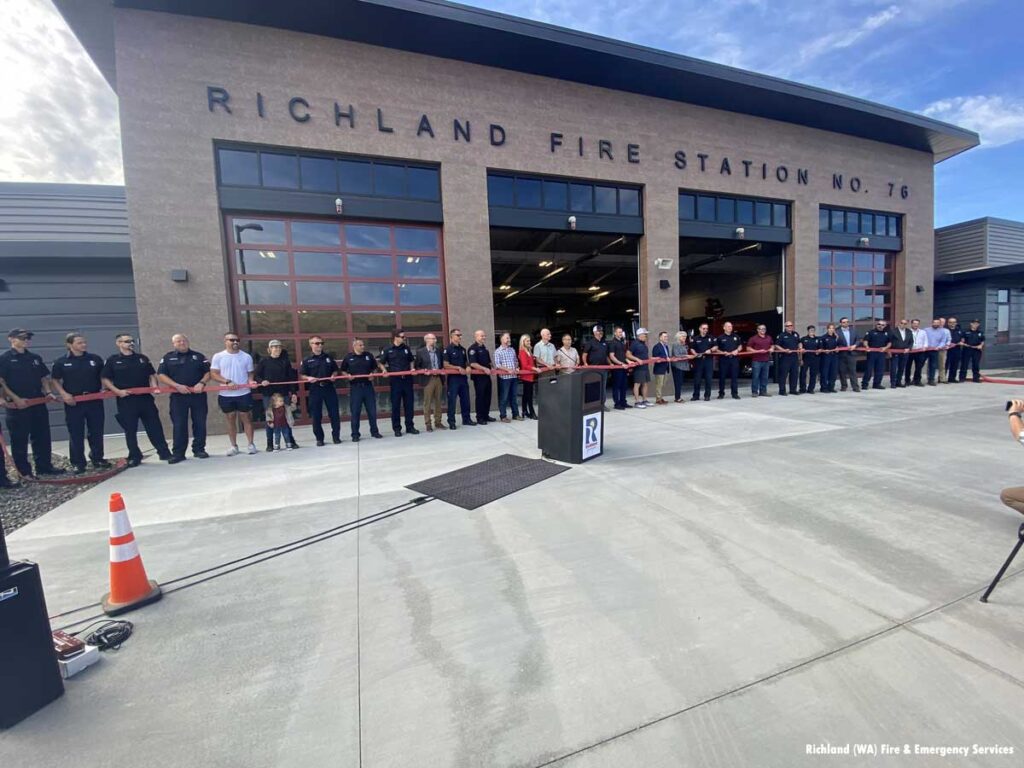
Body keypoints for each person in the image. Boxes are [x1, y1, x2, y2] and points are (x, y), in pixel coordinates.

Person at [101, 332, 172, 467]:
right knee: (130, 429)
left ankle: (164, 452)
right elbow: (105, 378)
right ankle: (134, 455)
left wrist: (154, 386)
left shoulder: (142, 358)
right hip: (126, 400)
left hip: (145, 399)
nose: (130, 343)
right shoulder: (113, 360)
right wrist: (117, 391)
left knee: (154, 426)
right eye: (127, 341)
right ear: (119, 344)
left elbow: (151, 375)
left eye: (131, 341)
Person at [0, 328, 63, 476]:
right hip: (18, 406)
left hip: (37, 403)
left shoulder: (34, 357)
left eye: (28, 338)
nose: (26, 341)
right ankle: (24, 472)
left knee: (42, 436)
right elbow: (2, 383)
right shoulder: (4, 359)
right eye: (22, 338)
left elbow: (43, 377)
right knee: (20, 440)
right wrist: (14, 399)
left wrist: (48, 393)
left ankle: (44, 466)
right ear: (11, 339)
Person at [50, 332, 112, 474]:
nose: (83, 345)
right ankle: (78, 462)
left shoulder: (94, 359)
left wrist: (106, 388)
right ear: (69, 345)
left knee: (96, 431)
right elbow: (55, 380)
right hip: (74, 402)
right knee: (76, 433)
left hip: (94, 400)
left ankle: (97, 458)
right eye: (79, 343)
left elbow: (103, 376)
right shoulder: (61, 362)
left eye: (84, 342)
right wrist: (64, 394)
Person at [156, 333, 210, 463]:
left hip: (198, 395)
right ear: (174, 344)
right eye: (178, 341)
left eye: (184, 340)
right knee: (179, 425)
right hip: (178, 396)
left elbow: (208, 372)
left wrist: (201, 383)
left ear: (188, 341)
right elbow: (161, 375)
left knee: (200, 423)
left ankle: (199, 449)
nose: (182, 343)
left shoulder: (199, 356)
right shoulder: (168, 358)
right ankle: (178, 453)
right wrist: (176, 385)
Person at [210, 332, 258, 455]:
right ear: (225, 341)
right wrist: (227, 381)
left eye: (237, 340)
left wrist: (251, 381)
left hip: (243, 393)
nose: (235, 342)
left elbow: (250, 373)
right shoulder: (218, 356)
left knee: (246, 417)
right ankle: (234, 446)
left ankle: (251, 444)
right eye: (231, 340)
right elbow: (214, 374)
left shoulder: (246, 356)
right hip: (226, 395)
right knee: (230, 419)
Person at [256, 339, 299, 450]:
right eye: (274, 347)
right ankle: (270, 444)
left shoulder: (285, 361)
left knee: (287, 417)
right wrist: (262, 381)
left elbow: (291, 378)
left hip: (283, 394)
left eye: (279, 347)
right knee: (270, 418)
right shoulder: (264, 361)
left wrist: (293, 392)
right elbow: (257, 376)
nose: (277, 349)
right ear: (269, 349)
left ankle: (291, 441)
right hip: (269, 395)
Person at [300, 335, 341, 446]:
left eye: (321, 343)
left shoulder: (328, 357)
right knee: (316, 415)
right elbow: (302, 375)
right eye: (317, 343)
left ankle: (336, 437)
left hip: (329, 388)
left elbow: (335, 371)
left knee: (334, 414)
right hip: (315, 389)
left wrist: (333, 375)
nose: (320, 345)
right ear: (311, 345)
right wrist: (308, 378)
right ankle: (319, 438)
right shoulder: (307, 360)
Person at [340, 338, 383, 441]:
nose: (363, 347)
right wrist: (347, 375)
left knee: (372, 411)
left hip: (368, 387)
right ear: (354, 346)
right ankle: (355, 435)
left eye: (363, 345)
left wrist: (372, 374)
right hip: (356, 388)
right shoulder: (348, 357)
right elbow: (343, 371)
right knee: (355, 412)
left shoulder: (368, 356)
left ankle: (375, 432)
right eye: (360, 345)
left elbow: (375, 368)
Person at [380, 329, 418, 437]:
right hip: (395, 381)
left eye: (404, 337)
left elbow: (411, 360)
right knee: (396, 405)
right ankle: (397, 429)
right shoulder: (388, 349)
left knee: (409, 405)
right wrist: (384, 370)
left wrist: (412, 369)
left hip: (407, 380)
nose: (404, 338)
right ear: (395, 337)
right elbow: (381, 362)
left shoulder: (406, 349)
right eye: (402, 337)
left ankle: (410, 426)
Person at [414, 333, 447, 431]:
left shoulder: (438, 351)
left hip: (438, 378)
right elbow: (417, 366)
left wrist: (441, 370)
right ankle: (428, 423)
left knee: (438, 401)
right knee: (427, 402)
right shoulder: (420, 352)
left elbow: (441, 363)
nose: (435, 340)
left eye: (435, 339)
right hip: (428, 379)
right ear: (426, 340)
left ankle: (438, 422)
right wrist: (424, 370)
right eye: (432, 339)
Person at [443, 329, 475, 428]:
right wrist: (457, 368)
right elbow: (445, 365)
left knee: (465, 400)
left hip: (463, 379)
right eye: (458, 335)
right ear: (452, 336)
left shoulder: (462, 349)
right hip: (453, 380)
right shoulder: (447, 349)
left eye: (461, 335)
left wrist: (468, 366)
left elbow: (466, 362)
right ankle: (451, 422)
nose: (460, 336)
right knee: (452, 401)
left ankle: (466, 419)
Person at [468, 329, 495, 424]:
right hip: (479, 378)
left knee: (487, 396)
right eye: (481, 336)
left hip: (487, 376)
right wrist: (484, 369)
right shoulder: (472, 349)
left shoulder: (484, 348)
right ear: (476, 337)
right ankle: (480, 418)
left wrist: (491, 366)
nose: (484, 337)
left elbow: (488, 361)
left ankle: (486, 415)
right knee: (480, 397)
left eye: (484, 336)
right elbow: (473, 364)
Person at [494, 333, 521, 422]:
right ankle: (503, 416)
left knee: (514, 397)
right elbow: (498, 365)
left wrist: (517, 367)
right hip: (504, 378)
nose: (509, 340)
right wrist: (508, 370)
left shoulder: (512, 350)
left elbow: (516, 361)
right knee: (504, 397)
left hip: (514, 377)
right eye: (507, 338)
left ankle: (516, 415)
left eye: (509, 338)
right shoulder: (498, 351)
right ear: (502, 340)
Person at [582, 325, 610, 408]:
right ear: (594, 333)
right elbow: (584, 355)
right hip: (593, 369)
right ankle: (593, 405)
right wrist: (585, 364)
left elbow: (606, 356)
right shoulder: (590, 343)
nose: (600, 332)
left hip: (604, 369)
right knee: (593, 386)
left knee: (603, 387)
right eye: (598, 331)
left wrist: (611, 364)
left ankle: (602, 405)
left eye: (601, 331)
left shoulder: (604, 342)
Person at [860, 319, 891, 390]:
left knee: (880, 370)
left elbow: (889, 343)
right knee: (869, 369)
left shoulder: (886, 333)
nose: (880, 326)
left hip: (881, 354)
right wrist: (867, 347)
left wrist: (885, 347)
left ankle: (877, 384)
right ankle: (864, 384)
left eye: (882, 325)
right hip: (872, 353)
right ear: (876, 325)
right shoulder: (870, 332)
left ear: (885, 326)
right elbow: (865, 341)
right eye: (879, 324)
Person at [714, 321, 742, 400]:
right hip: (724, 360)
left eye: (731, 326)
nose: (730, 328)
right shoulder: (720, 338)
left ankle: (735, 393)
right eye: (728, 326)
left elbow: (740, 346)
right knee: (722, 377)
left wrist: (737, 350)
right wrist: (722, 352)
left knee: (734, 377)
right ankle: (721, 394)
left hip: (734, 359)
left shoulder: (736, 336)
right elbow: (716, 349)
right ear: (724, 328)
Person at [774, 320, 801, 396]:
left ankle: (793, 390)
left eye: (791, 325)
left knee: (794, 374)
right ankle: (782, 391)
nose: (790, 327)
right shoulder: (781, 335)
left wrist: (800, 347)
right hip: (785, 358)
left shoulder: (795, 334)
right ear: (785, 327)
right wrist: (784, 350)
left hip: (794, 357)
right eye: (788, 326)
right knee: (783, 375)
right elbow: (776, 345)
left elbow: (799, 342)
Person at [607, 326, 631, 410]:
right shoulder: (612, 343)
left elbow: (623, 355)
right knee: (616, 386)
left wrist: (628, 361)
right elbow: (612, 356)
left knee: (624, 386)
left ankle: (623, 402)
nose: (621, 333)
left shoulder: (622, 342)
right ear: (615, 333)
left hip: (624, 367)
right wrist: (621, 364)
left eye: (621, 332)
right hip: (617, 368)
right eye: (619, 332)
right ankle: (617, 404)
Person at [690, 322, 715, 401]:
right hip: (698, 361)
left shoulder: (711, 337)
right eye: (704, 328)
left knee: (708, 379)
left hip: (708, 360)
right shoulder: (695, 338)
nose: (705, 330)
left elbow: (716, 346)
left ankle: (707, 396)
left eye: (707, 329)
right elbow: (691, 348)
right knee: (697, 379)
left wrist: (710, 350)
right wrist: (695, 354)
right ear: (700, 329)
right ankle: (696, 395)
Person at [626, 328, 651, 408]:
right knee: (637, 384)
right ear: (640, 335)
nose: (646, 336)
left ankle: (645, 400)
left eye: (646, 334)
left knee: (645, 383)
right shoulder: (634, 343)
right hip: (638, 367)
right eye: (644, 334)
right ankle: (637, 402)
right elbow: (628, 354)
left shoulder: (643, 344)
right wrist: (637, 359)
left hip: (645, 367)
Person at [747, 324, 773, 397]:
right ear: (757, 330)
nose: (762, 330)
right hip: (756, 361)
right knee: (755, 377)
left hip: (766, 360)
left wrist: (772, 348)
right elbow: (748, 348)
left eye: (764, 329)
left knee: (765, 377)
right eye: (761, 329)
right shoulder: (753, 338)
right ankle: (754, 392)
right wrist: (757, 351)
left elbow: (772, 345)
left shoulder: (769, 337)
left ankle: (763, 391)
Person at [835, 317, 860, 392]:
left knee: (853, 371)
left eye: (847, 322)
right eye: (844, 322)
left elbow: (858, 340)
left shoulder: (853, 330)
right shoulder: (837, 332)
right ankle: (844, 386)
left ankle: (855, 387)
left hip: (851, 354)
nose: (846, 323)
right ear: (840, 323)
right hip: (841, 354)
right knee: (842, 371)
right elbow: (835, 343)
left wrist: (855, 345)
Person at [888, 319, 913, 388]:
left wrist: (909, 348)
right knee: (893, 368)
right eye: (902, 323)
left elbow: (911, 342)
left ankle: (898, 382)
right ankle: (893, 383)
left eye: (905, 324)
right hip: (895, 352)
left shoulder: (909, 331)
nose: (903, 325)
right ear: (899, 323)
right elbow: (888, 341)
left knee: (902, 368)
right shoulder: (893, 331)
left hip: (905, 353)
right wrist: (889, 351)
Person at [517, 334, 538, 419]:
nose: (529, 342)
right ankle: (532, 412)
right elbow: (525, 365)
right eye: (527, 341)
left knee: (526, 394)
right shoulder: (522, 351)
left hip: (531, 376)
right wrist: (534, 368)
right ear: (523, 342)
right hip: (526, 376)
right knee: (529, 395)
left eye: (529, 341)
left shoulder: (529, 351)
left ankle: (524, 411)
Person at [924, 318, 948, 386]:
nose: (936, 324)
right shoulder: (926, 330)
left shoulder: (942, 331)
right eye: (935, 323)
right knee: (920, 364)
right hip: (925, 350)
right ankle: (916, 379)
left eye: (938, 323)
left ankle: (931, 380)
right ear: (932, 323)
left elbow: (943, 341)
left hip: (935, 350)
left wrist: (939, 346)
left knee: (933, 365)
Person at [799, 325, 821, 394]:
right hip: (805, 359)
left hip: (815, 359)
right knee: (803, 374)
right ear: (808, 331)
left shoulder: (818, 339)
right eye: (811, 330)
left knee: (813, 374)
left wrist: (819, 351)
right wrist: (801, 359)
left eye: (813, 330)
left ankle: (811, 389)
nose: (812, 331)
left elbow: (820, 348)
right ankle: (802, 389)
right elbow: (800, 348)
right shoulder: (803, 339)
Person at [818, 324, 840, 393]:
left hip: (834, 357)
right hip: (826, 357)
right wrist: (824, 350)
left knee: (833, 372)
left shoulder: (836, 337)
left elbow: (838, 346)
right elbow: (820, 348)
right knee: (825, 373)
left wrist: (837, 349)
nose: (831, 330)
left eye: (833, 328)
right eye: (830, 328)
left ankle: (831, 387)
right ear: (827, 329)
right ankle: (824, 388)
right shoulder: (823, 337)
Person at [651, 331, 671, 405]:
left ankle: (660, 397)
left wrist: (667, 358)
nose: (666, 338)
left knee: (662, 384)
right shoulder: (656, 347)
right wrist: (665, 357)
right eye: (665, 336)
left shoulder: (666, 346)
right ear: (660, 338)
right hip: (659, 369)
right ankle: (658, 399)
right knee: (659, 385)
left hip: (665, 368)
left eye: (667, 336)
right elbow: (656, 358)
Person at [670, 331, 689, 403]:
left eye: (685, 336)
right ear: (678, 337)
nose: (684, 338)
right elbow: (677, 355)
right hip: (677, 366)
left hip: (683, 366)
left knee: (680, 382)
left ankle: (678, 396)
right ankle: (677, 398)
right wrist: (687, 356)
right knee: (678, 382)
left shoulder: (684, 345)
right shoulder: (676, 344)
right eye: (682, 336)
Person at [909, 318, 929, 386]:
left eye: (917, 324)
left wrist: (925, 347)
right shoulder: (908, 331)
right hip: (910, 351)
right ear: (911, 324)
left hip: (920, 351)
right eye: (914, 323)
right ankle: (907, 380)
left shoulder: (923, 332)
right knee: (908, 366)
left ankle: (917, 380)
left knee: (919, 367)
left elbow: (926, 341)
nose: (916, 325)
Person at [946, 317, 964, 384]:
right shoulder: (946, 330)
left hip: (957, 349)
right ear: (948, 323)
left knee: (955, 364)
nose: (952, 324)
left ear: (956, 323)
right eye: (950, 322)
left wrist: (962, 341)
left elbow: (962, 338)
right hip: (948, 349)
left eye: (953, 322)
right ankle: (942, 378)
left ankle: (952, 378)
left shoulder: (959, 330)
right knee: (945, 364)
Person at [937, 317, 952, 384]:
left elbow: (949, 339)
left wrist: (947, 345)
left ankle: (942, 378)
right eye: (940, 321)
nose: (941, 323)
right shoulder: (934, 329)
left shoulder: (946, 331)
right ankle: (930, 378)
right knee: (931, 364)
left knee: (942, 364)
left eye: (943, 322)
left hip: (943, 350)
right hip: (932, 349)